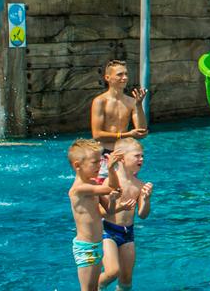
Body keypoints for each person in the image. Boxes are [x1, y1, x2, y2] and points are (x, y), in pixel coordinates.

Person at [101, 138, 153, 291]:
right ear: (122, 158)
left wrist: (147, 198)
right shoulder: (109, 181)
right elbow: (103, 211)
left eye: (142, 156)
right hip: (108, 231)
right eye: (137, 156)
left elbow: (143, 214)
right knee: (112, 272)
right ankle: (94, 286)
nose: (141, 159)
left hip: (128, 233)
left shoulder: (140, 185)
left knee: (126, 280)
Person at [67, 139, 118, 291]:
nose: (99, 166)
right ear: (77, 166)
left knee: (94, 288)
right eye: (94, 162)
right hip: (86, 247)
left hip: (97, 244)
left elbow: (109, 211)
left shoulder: (93, 185)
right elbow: (112, 187)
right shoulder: (79, 189)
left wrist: (114, 202)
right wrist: (110, 168)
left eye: (100, 162)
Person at [90, 60, 147, 180]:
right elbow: (97, 134)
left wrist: (138, 105)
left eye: (126, 74)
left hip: (125, 155)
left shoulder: (132, 102)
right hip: (105, 154)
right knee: (104, 193)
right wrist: (127, 135)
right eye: (120, 74)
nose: (124, 77)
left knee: (127, 192)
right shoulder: (100, 101)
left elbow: (141, 132)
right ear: (107, 77)